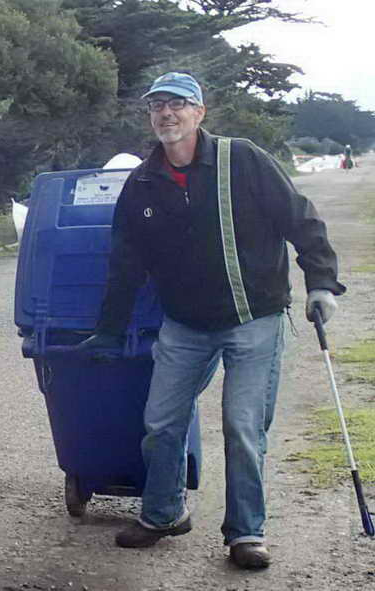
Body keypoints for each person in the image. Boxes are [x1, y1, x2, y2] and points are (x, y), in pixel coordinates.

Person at [78, 72, 345, 569]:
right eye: (157, 105)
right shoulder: (141, 182)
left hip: (253, 319)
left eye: (178, 105)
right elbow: (125, 263)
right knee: (160, 424)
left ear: (200, 113)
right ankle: (163, 513)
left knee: (242, 426)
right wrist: (110, 327)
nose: (167, 114)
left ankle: (246, 533)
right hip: (185, 325)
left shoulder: (240, 159)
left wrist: (322, 284)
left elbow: (300, 218)